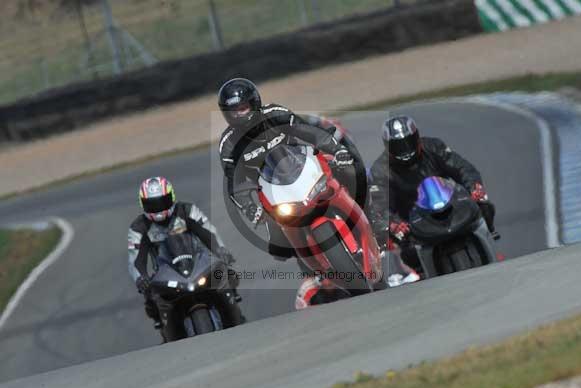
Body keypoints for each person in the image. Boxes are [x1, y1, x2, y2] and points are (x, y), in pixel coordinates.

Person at [217, 77, 354, 256]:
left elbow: (310, 132)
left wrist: (337, 150)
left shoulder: (275, 113)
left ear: (254, 103)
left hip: (303, 165)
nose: (239, 115)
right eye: (233, 112)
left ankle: (372, 217)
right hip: (270, 189)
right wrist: (249, 207)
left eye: (243, 109)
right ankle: (310, 270)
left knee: (351, 171)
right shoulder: (228, 144)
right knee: (279, 245)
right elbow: (235, 182)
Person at [368, 115, 496, 268]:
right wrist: (394, 223)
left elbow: (461, 167)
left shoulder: (434, 146)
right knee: (406, 251)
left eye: (408, 142)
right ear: (387, 147)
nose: (405, 149)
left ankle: (488, 235)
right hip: (412, 221)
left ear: (416, 138)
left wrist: (474, 187)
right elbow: (379, 204)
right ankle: (423, 272)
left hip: (450, 204)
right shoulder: (380, 170)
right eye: (398, 146)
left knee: (484, 204)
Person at [128, 176, 241, 329]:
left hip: (197, 262)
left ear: (172, 197)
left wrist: (220, 250)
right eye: (152, 205)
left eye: (162, 202)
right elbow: (135, 260)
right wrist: (140, 278)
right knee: (150, 295)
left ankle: (233, 306)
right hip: (165, 273)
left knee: (224, 272)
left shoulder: (187, 210)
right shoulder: (138, 227)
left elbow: (208, 232)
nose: (159, 209)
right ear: (143, 204)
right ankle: (163, 323)